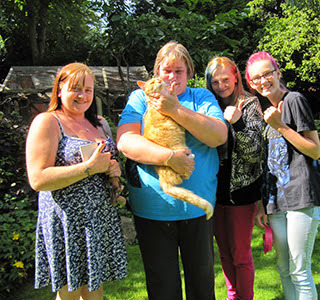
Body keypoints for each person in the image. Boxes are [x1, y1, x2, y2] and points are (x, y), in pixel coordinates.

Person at [117, 41, 227, 300]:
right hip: (153, 207)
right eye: (167, 70)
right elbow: (125, 141)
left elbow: (218, 135)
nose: (172, 77)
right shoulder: (140, 98)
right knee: (162, 288)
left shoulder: (201, 97)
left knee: (201, 285)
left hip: (197, 207)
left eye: (179, 71)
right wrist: (169, 158)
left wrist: (174, 109)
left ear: (189, 73)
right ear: (157, 72)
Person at [26, 63, 127, 300]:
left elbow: (107, 162)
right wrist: (89, 168)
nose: (83, 96)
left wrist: (113, 169)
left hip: (98, 218)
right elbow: (38, 178)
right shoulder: (48, 121)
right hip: (66, 220)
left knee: (94, 289)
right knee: (70, 291)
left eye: (88, 90)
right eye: (76, 89)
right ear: (59, 90)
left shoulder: (99, 123)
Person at [245, 51, 320, 300]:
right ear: (251, 82)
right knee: (284, 269)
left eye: (267, 74)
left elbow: (314, 150)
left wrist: (281, 126)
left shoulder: (294, 100)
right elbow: (272, 162)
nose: (263, 81)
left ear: (278, 73)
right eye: (256, 77)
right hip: (277, 202)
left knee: (300, 270)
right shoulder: (268, 109)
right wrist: (263, 204)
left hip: (301, 197)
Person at [205, 56, 264, 300]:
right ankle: (232, 297)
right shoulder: (209, 106)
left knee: (241, 254)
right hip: (215, 190)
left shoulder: (250, 104)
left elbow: (255, 152)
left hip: (242, 191)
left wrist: (238, 123)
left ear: (236, 77)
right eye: (215, 81)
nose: (221, 86)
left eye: (225, 79)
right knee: (225, 254)